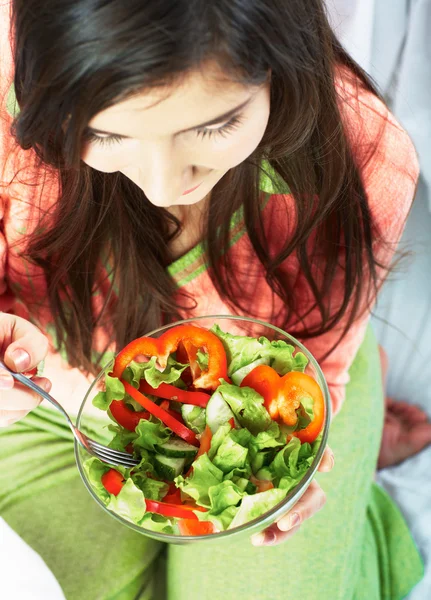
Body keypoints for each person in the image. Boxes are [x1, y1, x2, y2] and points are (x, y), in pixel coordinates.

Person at [0, 1, 424, 599]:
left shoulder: (363, 156)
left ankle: (363, 458)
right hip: (46, 393)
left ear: (282, 65)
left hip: (270, 387)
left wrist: (303, 453)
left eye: (215, 125)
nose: (164, 184)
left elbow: (311, 363)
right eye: (105, 132)